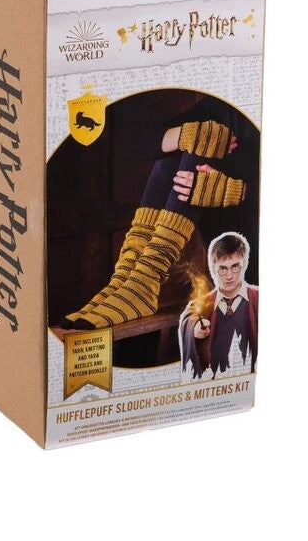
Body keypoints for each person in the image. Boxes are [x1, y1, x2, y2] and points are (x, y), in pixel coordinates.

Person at [59, 96, 258, 331]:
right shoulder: (225, 106)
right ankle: (131, 277)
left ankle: (145, 279)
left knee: (204, 140)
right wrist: (184, 135)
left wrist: (239, 190)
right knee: (197, 139)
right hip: (226, 251)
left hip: (255, 255)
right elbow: (137, 141)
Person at [178, 232, 258, 379]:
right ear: (213, 268)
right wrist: (195, 327)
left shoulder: (260, 298)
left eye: (235, 267)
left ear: (244, 264)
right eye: (222, 268)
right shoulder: (202, 303)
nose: (229, 276)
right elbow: (190, 317)